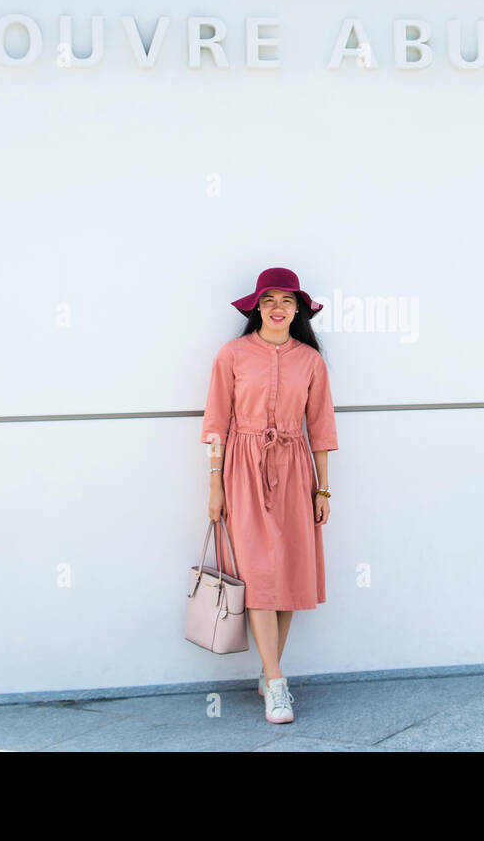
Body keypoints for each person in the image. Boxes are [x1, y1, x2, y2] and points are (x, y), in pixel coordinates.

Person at [200, 267, 339, 724]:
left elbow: (320, 430)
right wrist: (216, 485)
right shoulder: (233, 355)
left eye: (286, 300)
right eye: (268, 300)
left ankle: (269, 673)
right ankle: (277, 682)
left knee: (290, 575)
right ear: (256, 308)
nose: (277, 308)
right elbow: (217, 423)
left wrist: (323, 488)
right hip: (243, 466)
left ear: (298, 309)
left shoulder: (310, 361)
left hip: (296, 469)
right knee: (258, 572)